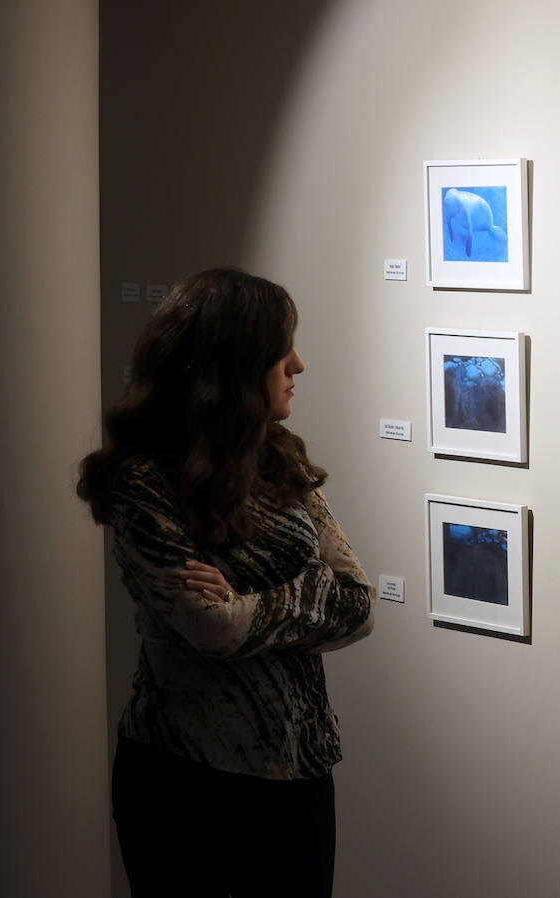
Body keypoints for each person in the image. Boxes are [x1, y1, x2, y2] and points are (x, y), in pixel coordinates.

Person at [77, 268, 375, 897]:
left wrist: (253, 607)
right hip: (183, 778)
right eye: (279, 350)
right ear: (233, 366)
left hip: (298, 770)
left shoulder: (281, 460)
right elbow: (210, 629)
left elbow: (358, 602)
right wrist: (301, 595)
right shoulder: (143, 483)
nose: (299, 364)